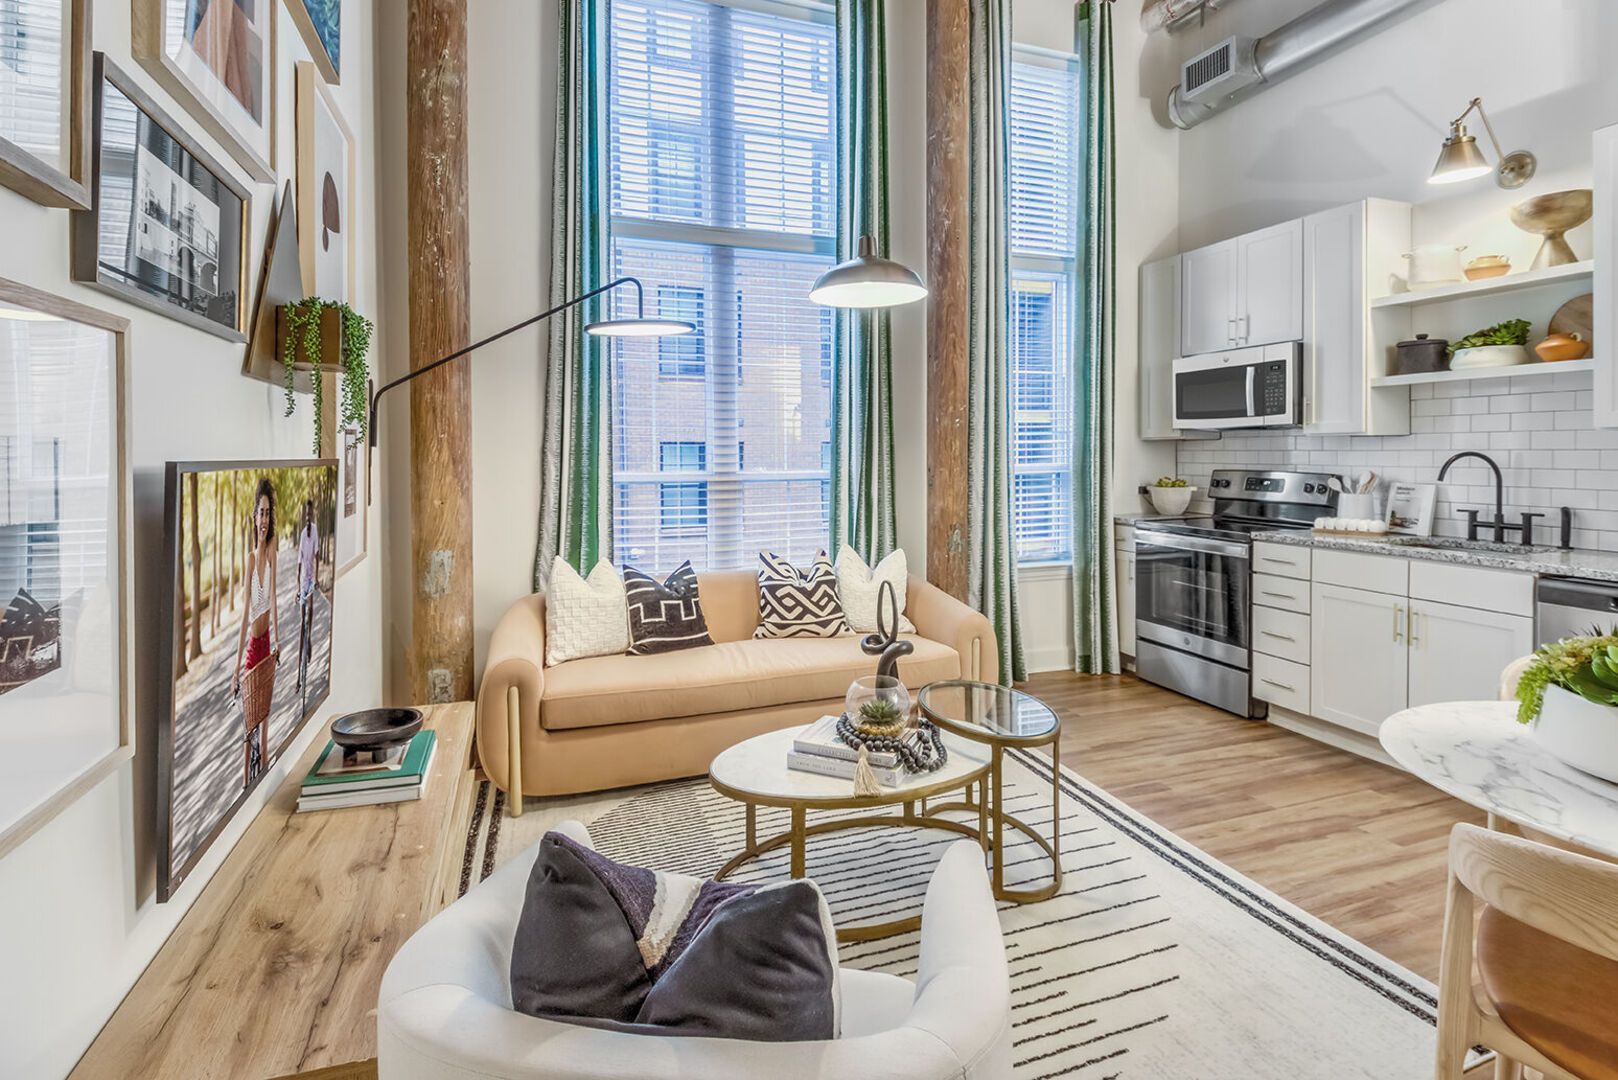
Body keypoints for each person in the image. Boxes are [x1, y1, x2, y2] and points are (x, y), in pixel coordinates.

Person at [230, 478, 281, 789]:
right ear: (253, 517)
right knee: (250, 725)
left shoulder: (272, 551)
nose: (263, 519)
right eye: (260, 513)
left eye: (267, 512)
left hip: (267, 645)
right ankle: (245, 786)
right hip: (252, 646)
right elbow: (245, 616)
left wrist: (278, 639)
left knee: (265, 720)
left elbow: (273, 599)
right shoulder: (250, 559)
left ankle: (263, 775)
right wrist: (236, 668)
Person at [295, 499, 319, 694]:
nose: (309, 516)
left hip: (311, 579)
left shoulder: (316, 531)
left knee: (311, 609)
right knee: (301, 626)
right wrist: (297, 586)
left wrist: (317, 579)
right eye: (307, 513)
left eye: (311, 513)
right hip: (303, 579)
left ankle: (310, 638)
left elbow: (316, 557)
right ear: (305, 515)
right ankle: (297, 676)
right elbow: (300, 561)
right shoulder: (303, 535)